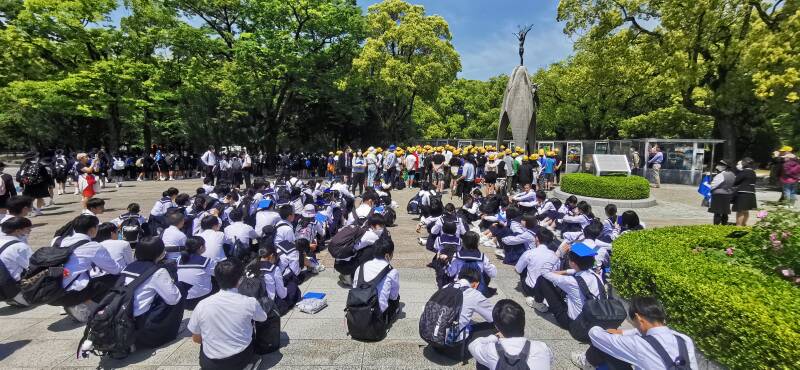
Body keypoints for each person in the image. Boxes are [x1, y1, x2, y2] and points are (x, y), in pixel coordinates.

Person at [571, 296, 698, 370]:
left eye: (634, 322)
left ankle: (587, 362)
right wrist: (620, 332)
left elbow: (598, 337)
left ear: (638, 318)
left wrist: (597, 327)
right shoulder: (684, 339)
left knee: (606, 347)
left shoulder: (639, 345)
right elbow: (643, 334)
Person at [188, 259, 267, 370]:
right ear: (240, 279)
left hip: (210, 364)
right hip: (240, 358)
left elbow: (196, 338)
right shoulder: (249, 302)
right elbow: (263, 318)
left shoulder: (202, 305)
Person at [51, 215, 124, 322]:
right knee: (117, 278)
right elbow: (115, 269)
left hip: (53, 290)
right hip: (72, 293)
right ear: (92, 229)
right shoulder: (93, 246)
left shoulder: (57, 240)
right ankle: (86, 307)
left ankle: (80, 302)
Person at [119, 237, 183, 349]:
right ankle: (168, 331)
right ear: (160, 253)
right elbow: (174, 299)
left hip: (123, 314)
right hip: (141, 322)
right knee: (180, 289)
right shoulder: (158, 271)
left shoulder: (128, 267)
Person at [528, 243, 603, 330]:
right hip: (591, 319)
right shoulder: (596, 275)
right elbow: (576, 270)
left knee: (542, 280)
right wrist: (564, 272)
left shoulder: (572, 282)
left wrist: (558, 254)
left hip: (571, 323)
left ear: (573, 263)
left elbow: (544, 272)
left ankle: (537, 303)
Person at [469, 299, 554, 370]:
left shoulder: (490, 350)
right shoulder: (543, 347)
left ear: (496, 327)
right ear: (523, 322)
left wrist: (495, 337)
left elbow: (473, 345)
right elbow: (550, 360)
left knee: (481, 361)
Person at [352, 236, 400, 323]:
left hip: (357, 309)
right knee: (396, 298)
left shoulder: (360, 267)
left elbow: (355, 287)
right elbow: (394, 296)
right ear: (387, 255)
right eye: (392, 253)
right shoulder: (392, 271)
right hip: (377, 316)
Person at [515, 228, 559, 308]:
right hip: (547, 289)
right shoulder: (555, 256)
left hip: (530, 289)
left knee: (524, 267)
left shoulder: (530, 253)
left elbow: (518, 270)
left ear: (537, 238)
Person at [0, 217, 33, 307]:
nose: (30, 230)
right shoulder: (20, 246)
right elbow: (32, 267)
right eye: (28, 228)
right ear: (18, 231)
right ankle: (17, 297)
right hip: (11, 288)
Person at [177, 236, 216, 309]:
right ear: (201, 247)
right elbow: (218, 274)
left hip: (184, 300)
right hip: (201, 300)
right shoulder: (206, 261)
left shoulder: (179, 259)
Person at [18, 151, 50, 216]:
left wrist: (21, 185)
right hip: (40, 184)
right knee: (39, 197)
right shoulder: (39, 165)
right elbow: (45, 175)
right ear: (35, 157)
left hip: (28, 184)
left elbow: (21, 176)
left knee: (30, 199)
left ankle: (30, 211)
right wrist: (48, 183)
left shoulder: (24, 165)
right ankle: (38, 211)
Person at [708, 160, 735, 225]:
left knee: (717, 212)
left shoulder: (721, 175)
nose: (718, 166)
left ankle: (716, 226)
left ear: (725, 166)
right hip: (728, 194)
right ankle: (724, 224)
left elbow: (713, 185)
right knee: (725, 212)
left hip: (718, 195)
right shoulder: (732, 174)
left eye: (721, 165)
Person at [732, 157, 757, 226]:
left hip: (743, 193)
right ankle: (743, 224)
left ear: (745, 163)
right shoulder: (753, 172)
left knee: (740, 211)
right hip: (751, 192)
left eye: (742, 162)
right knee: (746, 210)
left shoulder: (744, 172)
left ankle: (738, 225)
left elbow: (736, 181)